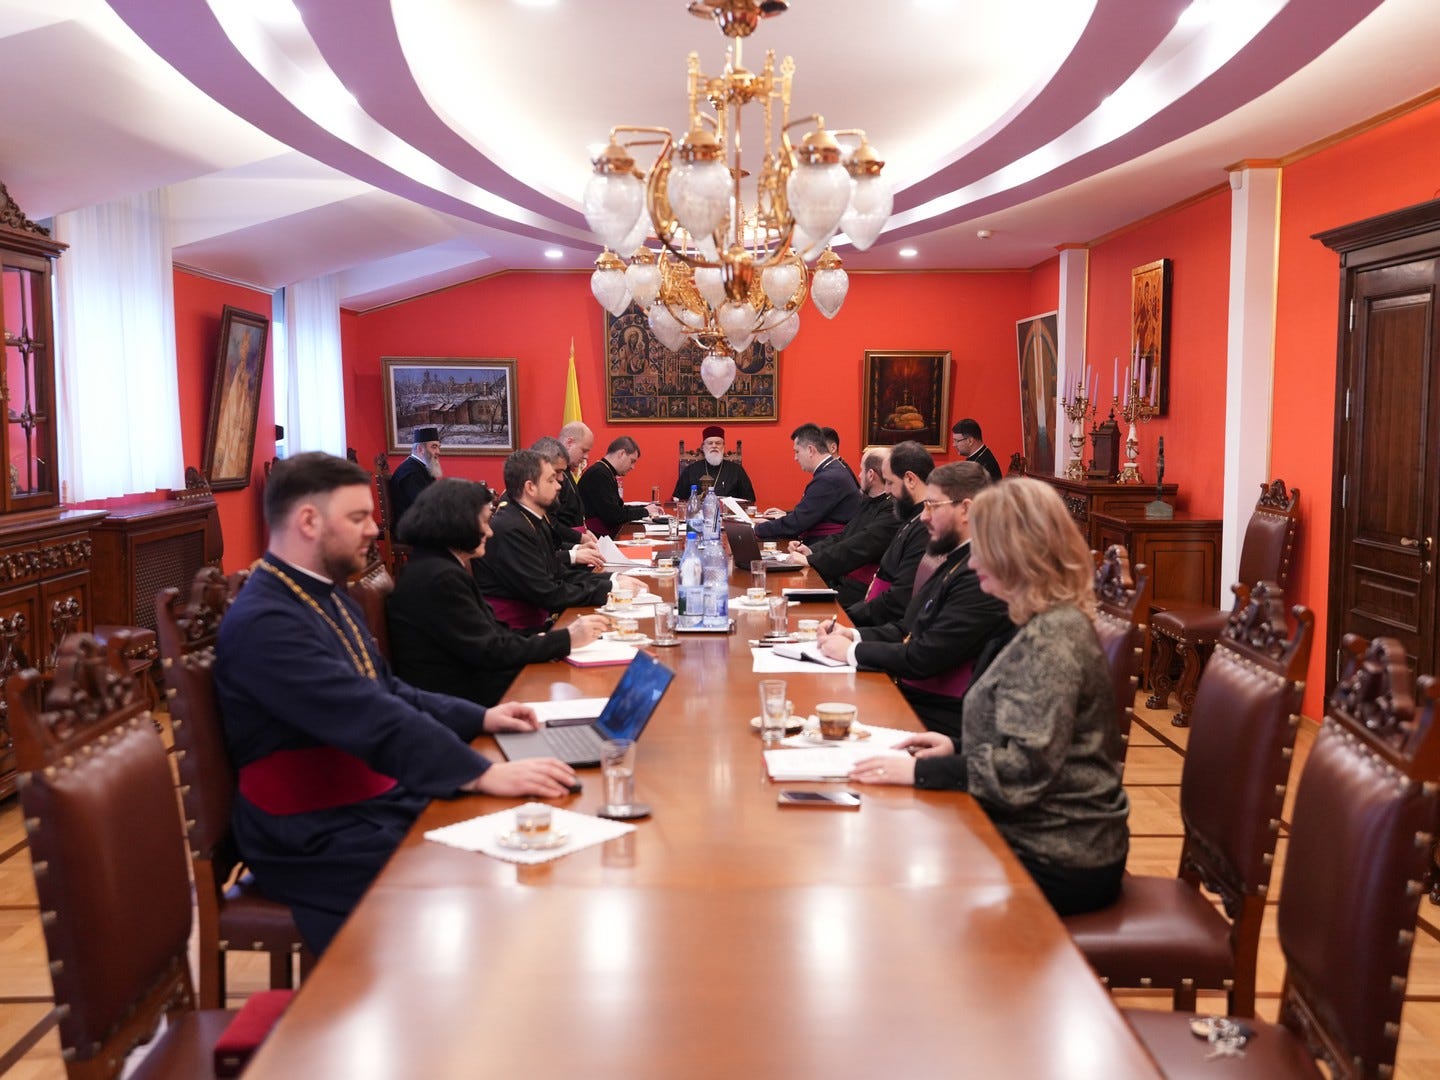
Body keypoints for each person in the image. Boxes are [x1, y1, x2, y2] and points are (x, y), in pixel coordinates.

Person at [215, 452, 576, 955]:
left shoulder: (322, 594)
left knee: (522, 831)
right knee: (487, 874)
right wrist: (479, 772)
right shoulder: (267, 621)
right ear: (308, 521)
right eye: (359, 517)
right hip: (312, 831)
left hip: (364, 798)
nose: (374, 529)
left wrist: (481, 716)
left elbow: (387, 689)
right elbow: (368, 716)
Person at [849, 477, 1129, 917]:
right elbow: (1026, 740)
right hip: (1029, 826)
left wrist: (924, 771)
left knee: (890, 880)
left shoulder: (1054, 638)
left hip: (1059, 851)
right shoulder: (1036, 619)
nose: (974, 559)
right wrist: (955, 747)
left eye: (985, 547)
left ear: (1019, 553)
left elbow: (1024, 770)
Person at [817, 461, 1013, 741]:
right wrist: (853, 634)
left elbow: (925, 656)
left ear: (965, 509)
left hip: (936, 714)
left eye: (932, 506)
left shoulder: (980, 574)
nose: (923, 517)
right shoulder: (955, 558)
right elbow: (908, 628)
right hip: (915, 693)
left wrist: (852, 652)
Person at [388, 478, 611, 705]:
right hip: (464, 699)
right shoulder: (439, 577)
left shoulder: (438, 564)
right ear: (458, 522)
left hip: (474, 682)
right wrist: (565, 639)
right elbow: (490, 651)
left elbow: (492, 636)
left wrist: (551, 635)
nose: (490, 532)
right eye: (485, 522)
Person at [474, 449, 645, 627]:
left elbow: (558, 573)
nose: (558, 485)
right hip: (518, 631)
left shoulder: (531, 518)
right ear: (530, 487)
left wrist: (613, 579)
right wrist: (611, 589)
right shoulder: (512, 528)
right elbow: (547, 593)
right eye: (551, 480)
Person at [786, 446, 900, 606]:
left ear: (870, 474)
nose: (859, 475)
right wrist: (811, 550)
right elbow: (845, 535)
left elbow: (859, 546)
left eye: (861, 470)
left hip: (860, 592)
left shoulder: (892, 510)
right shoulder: (868, 501)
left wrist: (811, 560)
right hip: (843, 579)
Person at [845, 441, 934, 627]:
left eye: (890, 482)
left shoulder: (924, 527)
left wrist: (848, 617)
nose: (886, 490)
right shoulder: (909, 516)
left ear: (910, 479)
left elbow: (900, 598)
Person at [754, 423, 861, 541]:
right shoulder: (832, 470)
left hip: (827, 545)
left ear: (810, 450)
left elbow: (797, 523)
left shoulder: (828, 478)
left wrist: (756, 528)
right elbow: (811, 513)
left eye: (797, 451)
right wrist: (785, 516)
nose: (795, 458)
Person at [531, 436, 604, 568]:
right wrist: (574, 551)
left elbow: (550, 545)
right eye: (556, 473)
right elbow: (537, 560)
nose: (560, 480)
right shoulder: (514, 517)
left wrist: (576, 548)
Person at [577, 435, 662, 537]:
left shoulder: (605, 471)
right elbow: (612, 516)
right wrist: (645, 511)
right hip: (598, 538)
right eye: (632, 461)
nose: (632, 467)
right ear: (622, 454)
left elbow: (617, 508)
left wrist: (646, 508)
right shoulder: (599, 474)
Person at [672, 424, 756, 501]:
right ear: (703, 447)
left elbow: (749, 499)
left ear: (723, 446)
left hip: (728, 512)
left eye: (718, 443)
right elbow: (677, 499)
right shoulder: (690, 470)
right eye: (710, 443)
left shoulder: (736, 470)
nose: (714, 446)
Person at [390, 425, 442, 527]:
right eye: (434, 447)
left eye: (438, 447)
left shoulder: (421, 468)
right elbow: (424, 505)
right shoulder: (411, 472)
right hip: (412, 528)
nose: (438, 452)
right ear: (420, 449)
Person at [552, 421, 594, 537]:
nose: (586, 457)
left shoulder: (567, 470)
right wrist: (579, 538)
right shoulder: (554, 474)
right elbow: (553, 523)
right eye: (584, 450)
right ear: (569, 443)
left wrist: (585, 532)